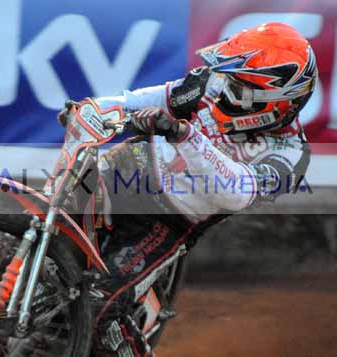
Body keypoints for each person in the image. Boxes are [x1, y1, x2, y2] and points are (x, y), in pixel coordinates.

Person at [59, 22, 318, 357]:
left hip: (167, 221)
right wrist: (96, 108)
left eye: (238, 89)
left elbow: (237, 193)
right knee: (40, 226)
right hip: (124, 168)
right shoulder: (214, 81)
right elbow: (153, 98)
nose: (224, 92)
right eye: (228, 80)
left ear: (274, 103)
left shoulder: (290, 154)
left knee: (99, 305)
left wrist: (186, 136)